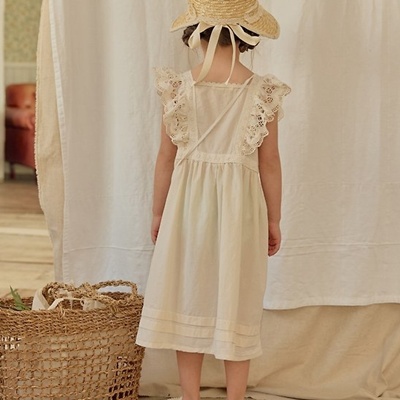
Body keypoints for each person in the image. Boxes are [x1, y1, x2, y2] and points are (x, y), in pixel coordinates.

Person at [136, 1, 290, 399]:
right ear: (248, 36)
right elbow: (270, 163)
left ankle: (191, 395)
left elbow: (165, 158)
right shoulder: (263, 92)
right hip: (242, 212)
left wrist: (158, 213)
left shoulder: (178, 88)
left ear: (195, 34)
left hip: (185, 209)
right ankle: (235, 396)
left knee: (188, 296)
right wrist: (274, 219)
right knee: (237, 300)